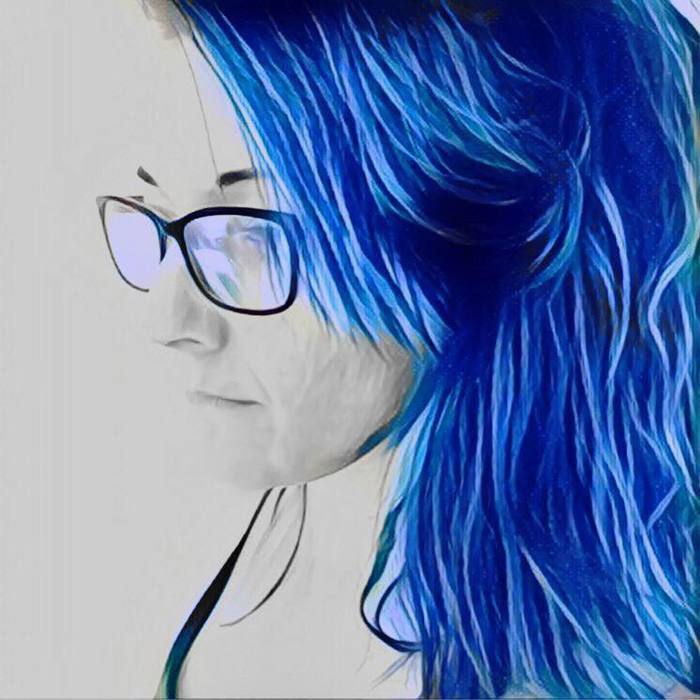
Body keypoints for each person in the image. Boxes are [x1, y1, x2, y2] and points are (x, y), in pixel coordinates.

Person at [96, 0, 699, 697]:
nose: (167, 319)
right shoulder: (252, 554)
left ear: (463, 234)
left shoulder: (590, 673)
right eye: (161, 218)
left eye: (251, 231)